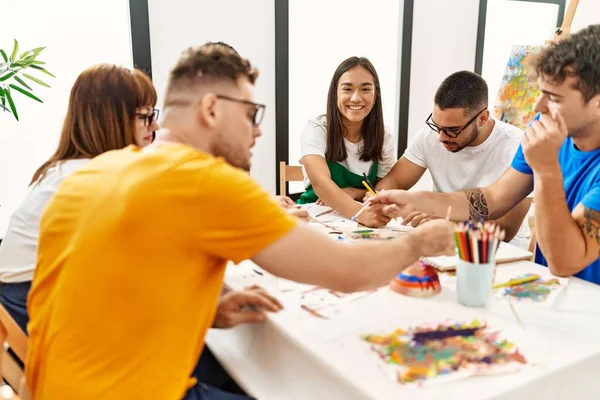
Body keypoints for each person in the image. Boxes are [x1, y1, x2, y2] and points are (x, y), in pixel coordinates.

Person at [25, 43, 455, 399]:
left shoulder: (92, 173)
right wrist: (418, 243)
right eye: (251, 114)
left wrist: (208, 310)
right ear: (212, 108)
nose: (258, 131)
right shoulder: (206, 181)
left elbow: (100, 292)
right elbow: (347, 271)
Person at [369, 24, 600, 285]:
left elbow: (564, 261)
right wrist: (414, 200)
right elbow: (494, 198)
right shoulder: (546, 126)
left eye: (554, 98)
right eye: (541, 94)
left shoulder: (547, 141)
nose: (538, 107)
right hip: (559, 295)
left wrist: (546, 169)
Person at [0, 64, 159, 333]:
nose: (155, 125)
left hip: (28, 309)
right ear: (112, 120)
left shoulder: (68, 170)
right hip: (36, 315)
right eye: (144, 116)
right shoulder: (90, 179)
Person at [375, 71, 532, 249]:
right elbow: (395, 180)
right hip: (443, 242)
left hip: (500, 251)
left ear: (482, 118)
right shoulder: (432, 135)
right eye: (437, 126)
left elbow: (504, 229)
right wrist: (380, 200)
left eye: (453, 130)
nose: (441, 137)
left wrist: (443, 219)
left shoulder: (517, 145)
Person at [297, 57, 396, 227]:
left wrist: (354, 193)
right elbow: (321, 183)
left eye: (365, 89)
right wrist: (359, 214)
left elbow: (380, 190)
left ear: (375, 94)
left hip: (363, 225)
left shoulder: (384, 136)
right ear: (335, 92)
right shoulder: (317, 129)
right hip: (314, 219)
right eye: (347, 89)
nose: (356, 98)